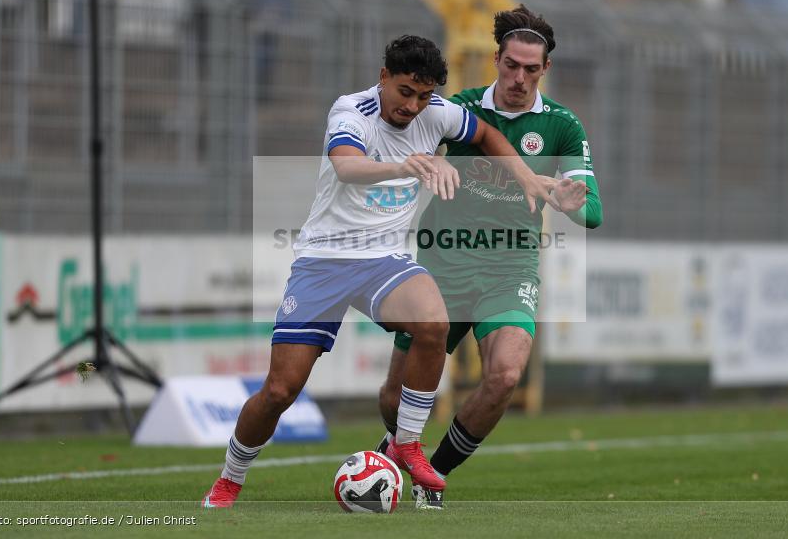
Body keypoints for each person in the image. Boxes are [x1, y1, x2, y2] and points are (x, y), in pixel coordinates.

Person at [202, 35, 560, 508]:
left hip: (383, 260)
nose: (413, 106)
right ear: (384, 78)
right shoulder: (351, 111)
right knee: (280, 389)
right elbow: (347, 167)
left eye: (424, 96)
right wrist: (406, 166)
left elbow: (486, 134)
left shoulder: (437, 114)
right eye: (405, 92)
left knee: (433, 321)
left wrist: (526, 177)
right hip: (324, 261)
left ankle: (407, 442)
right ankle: (229, 479)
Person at [377, 6, 604, 509]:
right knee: (393, 398)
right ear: (496, 59)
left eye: (531, 69)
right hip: (444, 266)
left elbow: (593, 212)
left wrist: (574, 203)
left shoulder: (562, 127)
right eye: (511, 65)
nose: (519, 78)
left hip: (510, 269)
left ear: (545, 70)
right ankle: (393, 451)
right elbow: (405, 150)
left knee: (503, 376)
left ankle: (431, 476)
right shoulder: (457, 109)